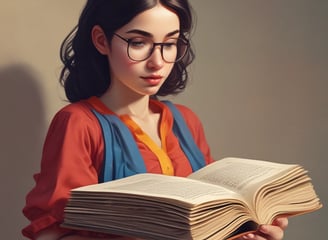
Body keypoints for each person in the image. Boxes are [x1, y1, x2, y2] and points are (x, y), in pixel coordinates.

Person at [22, 0, 288, 239]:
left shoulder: (185, 121)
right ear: (101, 40)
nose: (157, 62)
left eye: (169, 44)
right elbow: (51, 231)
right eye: (138, 43)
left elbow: (210, 218)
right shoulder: (78, 123)